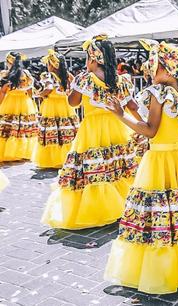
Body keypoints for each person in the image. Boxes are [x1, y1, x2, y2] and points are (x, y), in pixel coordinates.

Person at [104, 39, 178, 294]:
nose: (150, 68)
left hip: (159, 161)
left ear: (168, 67)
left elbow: (151, 130)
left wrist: (120, 115)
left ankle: (161, 271)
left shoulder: (157, 92)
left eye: (155, 64)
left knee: (158, 217)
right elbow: (173, 128)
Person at [41, 34, 140, 230]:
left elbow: (73, 102)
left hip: (92, 130)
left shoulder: (85, 80)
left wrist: (71, 88)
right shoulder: (122, 81)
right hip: (117, 126)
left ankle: (100, 210)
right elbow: (133, 105)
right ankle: (123, 205)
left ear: (94, 59)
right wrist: (142, 125)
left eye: (87, 57)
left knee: (96, 169)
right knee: (117, 166)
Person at [33, 49, 79, 168]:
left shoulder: (49, 75)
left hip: (51, 106)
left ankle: (54, 159)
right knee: (65, 130)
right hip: (66, 105)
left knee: (53, 130)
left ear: (53, 65)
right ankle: (68, 157)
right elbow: (76, 85)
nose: (47, 66)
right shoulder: (68, 75)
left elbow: (48, 88)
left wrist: (40, 94)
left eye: (48, 64)